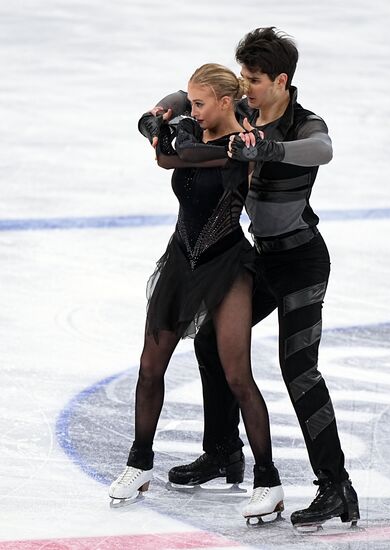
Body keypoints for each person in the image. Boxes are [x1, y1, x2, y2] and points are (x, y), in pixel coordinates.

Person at [138, 28, 360, 529]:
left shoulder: (305, 124)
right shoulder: (244, 110)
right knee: (211, 339)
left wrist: (269, 151)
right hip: (260, 258)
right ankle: (222, 453)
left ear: (281, 80)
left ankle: (335, 485)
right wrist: (157, 116)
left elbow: (322, 150)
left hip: (302, 263)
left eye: (254, 80)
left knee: (298, 370)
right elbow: (183, 94)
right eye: (241, 78)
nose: (245, 87)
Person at [109, 63, 285, 521]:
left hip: (227, 266)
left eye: (201, 103)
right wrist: (158, 117)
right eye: (192, 103)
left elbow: (180, 156)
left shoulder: (242, 143)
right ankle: (138, 464)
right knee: (150, 367)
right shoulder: (198, 127)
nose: (194, 110)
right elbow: (168, 155)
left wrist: (173, 137)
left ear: (227, 103)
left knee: (237, 376)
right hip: (180, 261)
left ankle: (268, 480)